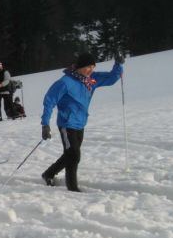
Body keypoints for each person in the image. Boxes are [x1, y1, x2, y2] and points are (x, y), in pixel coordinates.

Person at [40, 52, 124, 192]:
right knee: (74, 155)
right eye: (88, 67)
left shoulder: (91, 80)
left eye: (93, 66)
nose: (90, 70)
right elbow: (49, 101)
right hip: (67, 124)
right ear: (79, 66)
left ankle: (48, 174)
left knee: (71, 154)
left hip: (80, 123)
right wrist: (45, 124)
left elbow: (112, 78)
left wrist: (118, 64)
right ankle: (72, 187)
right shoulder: (65, 82)